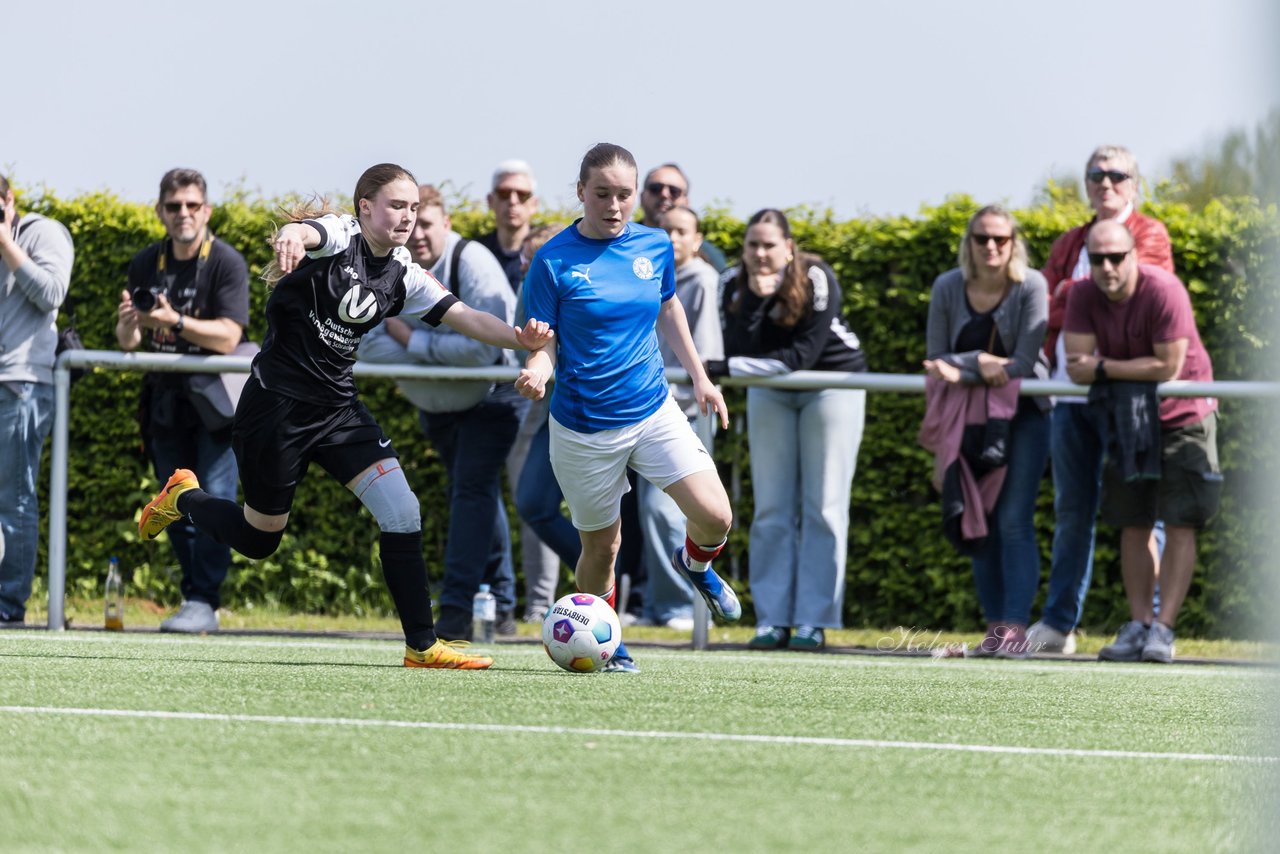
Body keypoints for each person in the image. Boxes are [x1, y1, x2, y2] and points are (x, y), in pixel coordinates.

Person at [136, 163, 552, 669]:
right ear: (366, 208)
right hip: (275, 409)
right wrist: (292, 234)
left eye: (415, 208)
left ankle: (422, 646)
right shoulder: (342, 236)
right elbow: (308, 230)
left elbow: (465, 316)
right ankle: (186, 497)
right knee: (259, 539)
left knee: (403, 511)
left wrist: (519, 338)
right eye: (397, 206)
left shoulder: (403, 271)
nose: (407, 217)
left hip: (338, 410)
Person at [516, 142, 740, 673]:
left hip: (652, 411)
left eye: (624, 195)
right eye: (602, 194)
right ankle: (607, 644)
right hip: (583, 429)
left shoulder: (655, 244)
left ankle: (697, 565)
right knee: (602, 550)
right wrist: (538, 370)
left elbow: (669, 307)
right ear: (580, 193)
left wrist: (702, 378)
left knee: (715, 516)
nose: (614, 206)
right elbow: (542, 339)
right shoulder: (552, 259)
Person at [359, 184, 527, 640]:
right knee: (476, 496)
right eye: (408, 221)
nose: (416, 233)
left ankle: (454, 614)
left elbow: (483, 353)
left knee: (471, 493)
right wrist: (439, 357)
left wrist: (412, 342)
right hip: (437, 408)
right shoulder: (390, 264)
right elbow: (370, 347)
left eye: (426, 222)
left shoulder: (471, 262)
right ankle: (504, 605)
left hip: (492, 398)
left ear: (447, 225)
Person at [1028, 145, 1175, 655]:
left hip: (1130, 398)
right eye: (1096, 174)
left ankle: (1150, 627)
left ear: (1135, 183)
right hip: (1070, 397)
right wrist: (1079, 291)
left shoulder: (1152, 234)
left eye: (1117, 175)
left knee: (1143, 514)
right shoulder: (1069, 241)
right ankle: (1058, 625)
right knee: (1073, 511)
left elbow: (1136, 293)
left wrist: (1077, 293)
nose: (1106, 183)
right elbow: (1045, 306)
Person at [708, 208, 868, 652]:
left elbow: (799, 356)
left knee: (824, 507)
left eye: (769, 245)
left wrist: (729, 366)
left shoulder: (817, 276)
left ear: (789, 248)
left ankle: (813, 622)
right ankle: (773, 619)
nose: (760, 254)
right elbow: (740, 349)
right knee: (772, 508)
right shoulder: (730, 283)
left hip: (831, 385)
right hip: (768, 389)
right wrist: (759, 302)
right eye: (752, 245)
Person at [1064, 220, 1219, 664]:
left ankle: (1164, 630)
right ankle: (1139, 626)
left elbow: (1168, 367)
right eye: (1098, 259)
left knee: (1179, 522)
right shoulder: (1081, 294)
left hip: (1183, 415)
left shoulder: (1164, 289)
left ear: (1134, 254)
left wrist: (1103, 366)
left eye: (1116, 257)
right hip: (1126, 417)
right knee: (1132, 522)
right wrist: (1112, 367)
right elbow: (1076, 364)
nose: (1107, 267)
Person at [115, 168, 248, 634]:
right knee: (171, 504)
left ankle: (203, 600)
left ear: (206, 210)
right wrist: (131, 322)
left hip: (216, 404)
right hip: (164, 400)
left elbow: (229, 337)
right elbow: (128, 342)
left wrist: (174, 321)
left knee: (214, 498)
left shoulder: (226, 262)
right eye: (174, 206)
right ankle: (194, 598)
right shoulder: (145, 262)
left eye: (192, 205)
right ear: (160, 211)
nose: (184, 214)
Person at [922, 206, 1051, 658]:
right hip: (965, 421)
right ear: (969, 243)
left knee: (1013, 519)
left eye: (1000, 238)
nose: (991, 246)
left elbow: (1023, 364)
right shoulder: (946, 286)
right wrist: (982, 364)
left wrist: (965, 367)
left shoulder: (1031, 285)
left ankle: (1016, 629)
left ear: (1014, 242)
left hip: (1027, 416)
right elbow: (935, 360)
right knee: (976, 519)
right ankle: (995, 629)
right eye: (982, 238)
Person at [635, 205, 723, 630]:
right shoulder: (642, 269)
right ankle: (656, 605)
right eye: (664, 230)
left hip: (681, 413)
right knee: (640, 515)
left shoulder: (702, 279)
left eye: (681, 231)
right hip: (637, 408)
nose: (671, 238)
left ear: (698, 239)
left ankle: (679, 608)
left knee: (667, 510)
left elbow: (701, 356)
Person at [0, 174, 75, 627]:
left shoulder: (43, 232)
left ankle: (9, 605)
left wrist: (6, 244)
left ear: (8, 200)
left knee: (14, 498)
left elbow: (52, 294)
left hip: (22, 385)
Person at [511, 223, 577, 621]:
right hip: (556, 414)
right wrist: (536, 370)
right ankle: (606, 581)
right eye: (527, 261)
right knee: (533, 502)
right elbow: (532, 344)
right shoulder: (529, 287)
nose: (532, 269)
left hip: (621, 411)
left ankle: (635, 597)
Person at [639, 162, 726, 272]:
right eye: (655, 188)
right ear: (641, 197)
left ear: (686, 202)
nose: (664, 194)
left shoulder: (708, 256)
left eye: (674, 191)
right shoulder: (621, 241)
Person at [477, 160, 539, 292]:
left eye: (522, 194)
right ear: (490, 201)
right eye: (504, 193)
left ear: (534, 204)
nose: (513, 201)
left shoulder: (547, 251)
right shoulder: (476, 252)